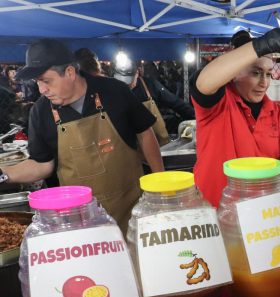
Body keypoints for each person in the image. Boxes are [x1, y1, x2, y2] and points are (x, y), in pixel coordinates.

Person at [3, 39, 164, 233]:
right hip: (80, 221)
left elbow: (144, 133)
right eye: (37, 82)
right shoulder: (41, 111)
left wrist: (159, 184)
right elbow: (42, 164)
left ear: (70, 72)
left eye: (47, 81)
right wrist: (4, 174)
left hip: (131, 208)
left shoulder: (114, 91)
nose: (42, 90)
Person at [191, 28, 280, 206]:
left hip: (261, 213)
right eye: (256, 73)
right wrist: (259, 46)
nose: (264, 83)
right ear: (234, 72)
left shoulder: (275, 112)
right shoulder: (218, 103)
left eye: (269, 74)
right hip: (216, 210)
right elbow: (203, 82)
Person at [114, 61, 195, 143]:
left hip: (155, 139)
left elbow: (175, 102)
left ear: (137, 74)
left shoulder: (149, 84)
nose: (126, 84)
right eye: (121, 81)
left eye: (129, 81)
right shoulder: (112, 90)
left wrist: (196, 117)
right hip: (128, 142)